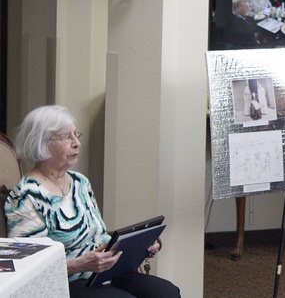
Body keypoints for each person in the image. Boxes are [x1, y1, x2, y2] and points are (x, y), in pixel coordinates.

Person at [4, 105, 181, 298]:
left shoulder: (80, 182)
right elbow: (30, 264)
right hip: (69, 281)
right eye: (66, 137)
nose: (77, 143)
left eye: (76, 134)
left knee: (167, 292)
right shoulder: (27, 195)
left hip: (104, 272)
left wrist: (137, 248)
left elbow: (99, 236)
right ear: (41, 143)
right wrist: (81, 263)